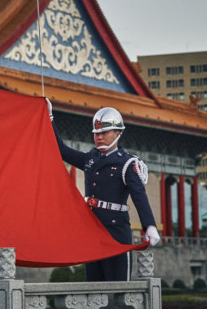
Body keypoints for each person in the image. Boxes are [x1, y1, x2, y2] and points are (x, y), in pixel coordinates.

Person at [47, 102, 160, 281]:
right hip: (92, 230)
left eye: (104, 132)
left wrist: (150, 225)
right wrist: (49, 118)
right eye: (96, 133)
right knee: (95, 288)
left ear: (118, 133)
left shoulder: (128, 164)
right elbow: (61, 150)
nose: (99, 137)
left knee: (119, 287)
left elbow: (139, 195)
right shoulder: (90, 159)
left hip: (116, 231)